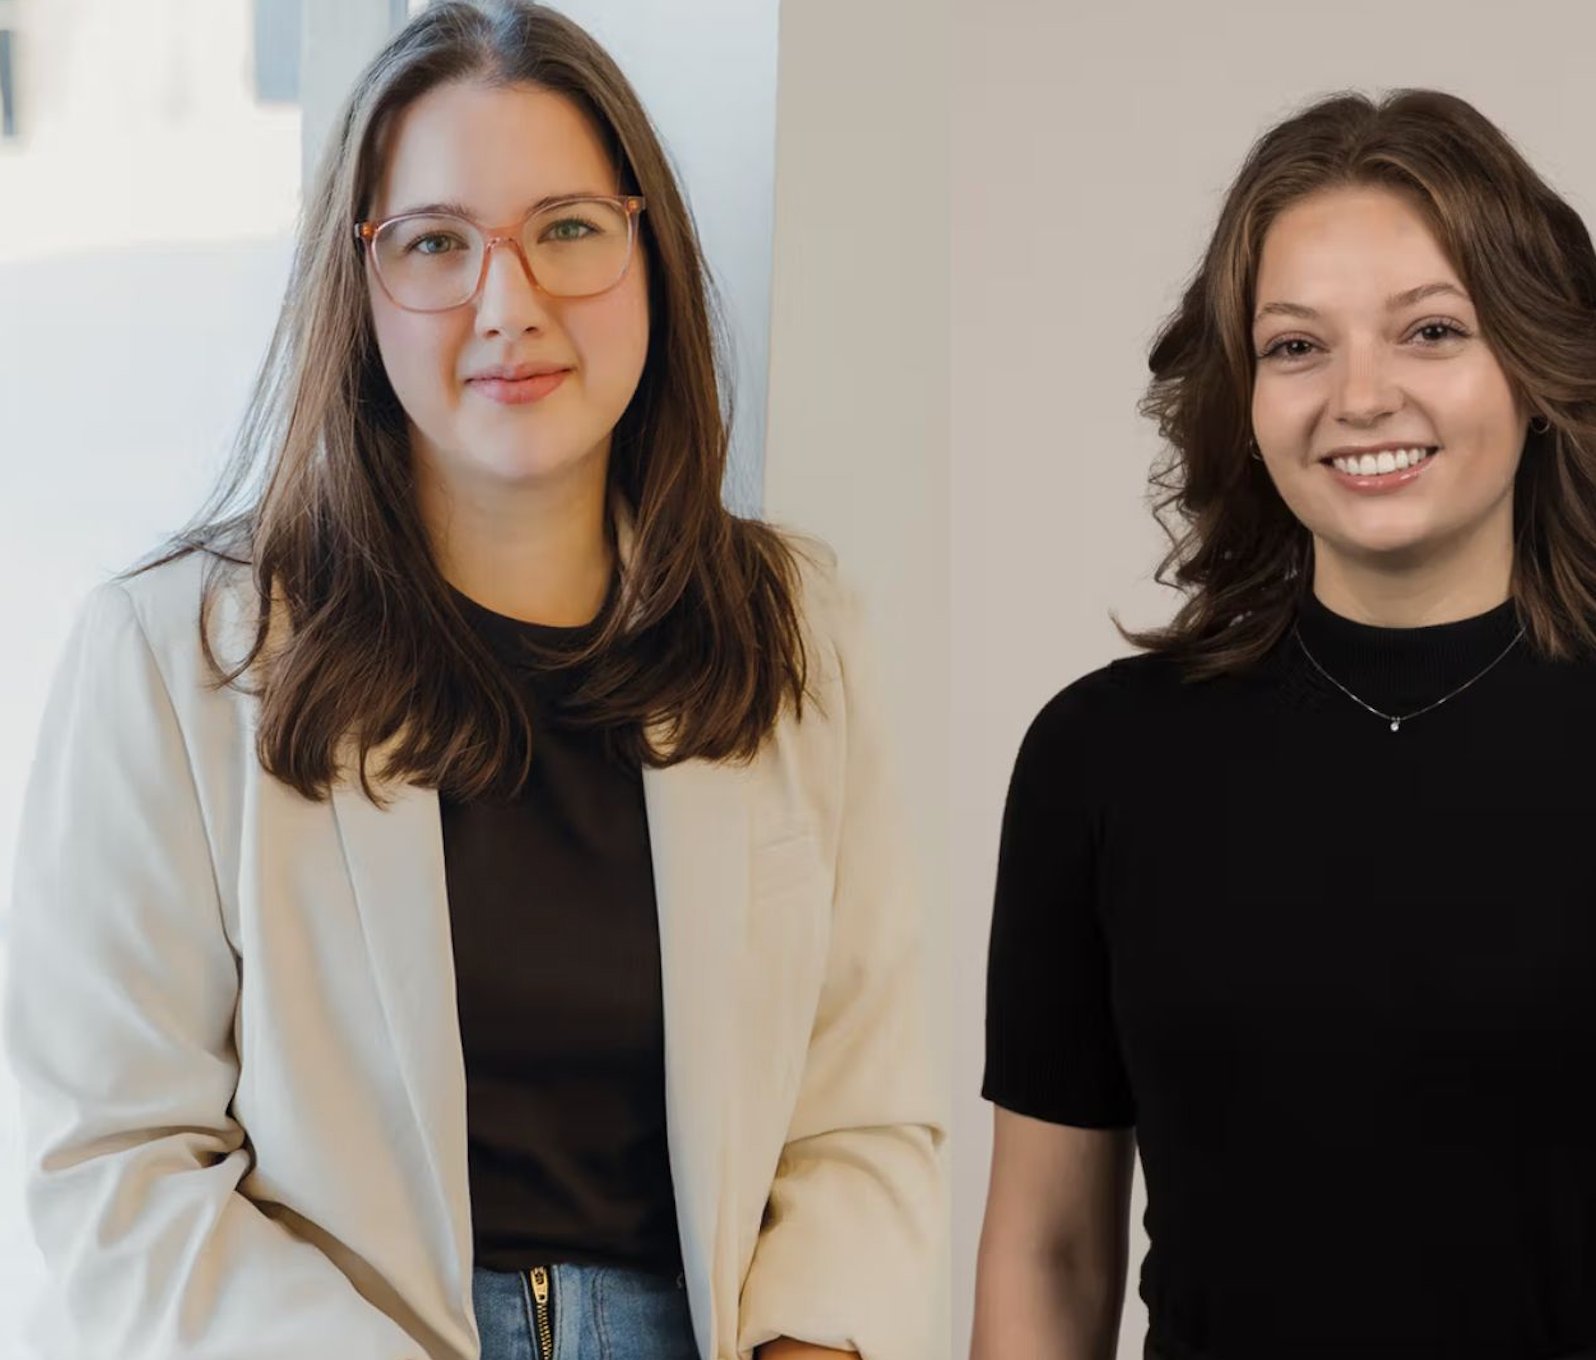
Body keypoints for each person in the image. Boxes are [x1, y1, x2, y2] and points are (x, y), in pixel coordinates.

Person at [3, 4, 943, 1358]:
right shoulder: (175, 662)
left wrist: (816, 1342)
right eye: (436, 244)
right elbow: (116, 1165)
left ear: (648, 252)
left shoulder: (792, 628)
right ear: (358, 280)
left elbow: (860, 1113)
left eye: (566, 228)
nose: (511, 306)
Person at [972, 87, 1596, 1360]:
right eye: (1295, 346)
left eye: (1430, 332)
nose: (1358, 396)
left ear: (1533, 361)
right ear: (1241, 392)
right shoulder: (1097, 757)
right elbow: (1046, 1256)